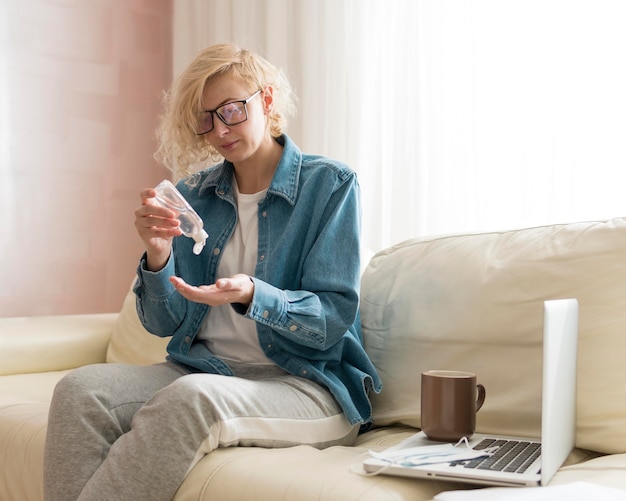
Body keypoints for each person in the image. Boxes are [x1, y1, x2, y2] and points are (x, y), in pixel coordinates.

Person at [43, 43, 382, 501]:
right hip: (208, 369)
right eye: (206, 119)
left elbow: (332, 318)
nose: (219, 130)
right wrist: (159, 256)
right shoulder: (193, 196)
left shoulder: (330, 186)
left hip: (305, 383)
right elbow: (164, 325)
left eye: (231, 111)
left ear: (265, 101)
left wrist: (251, 294)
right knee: (79, 390)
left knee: (191, 399)